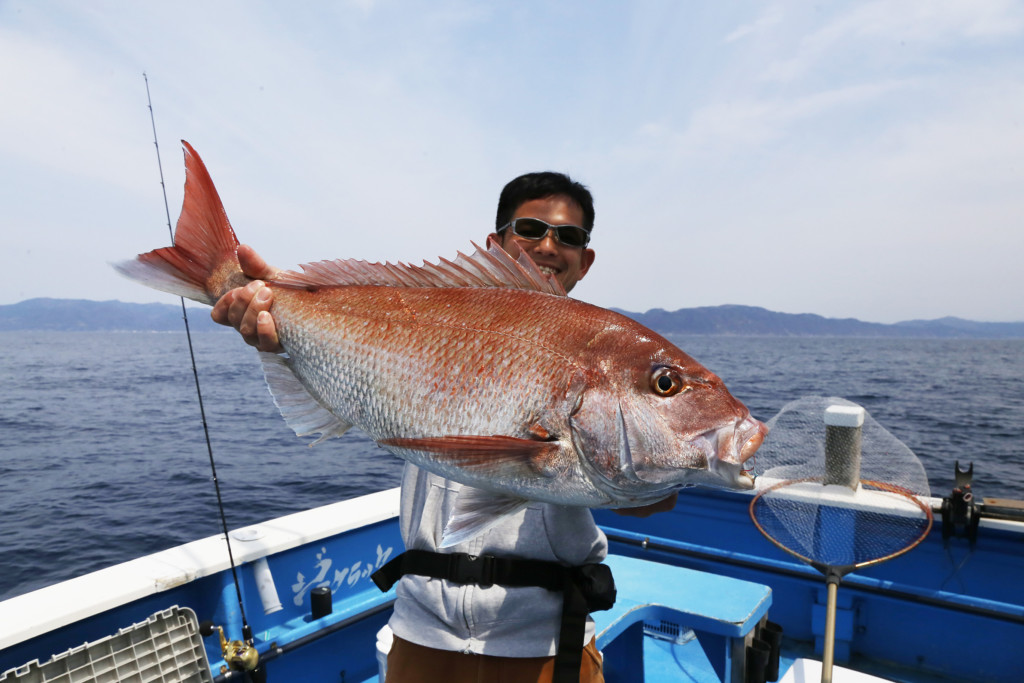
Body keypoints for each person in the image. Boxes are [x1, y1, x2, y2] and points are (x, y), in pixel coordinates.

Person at [211, 172, 676, 682]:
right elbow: (357, 336)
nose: (548, 245)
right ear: (496, 243)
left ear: (584, 260)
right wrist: (287, 307)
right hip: (421, 630)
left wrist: (672, 466)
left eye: (568, 237)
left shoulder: (606, 352)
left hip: (546, 640)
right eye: (530, 228)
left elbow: (652, 494)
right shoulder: (435, 310)